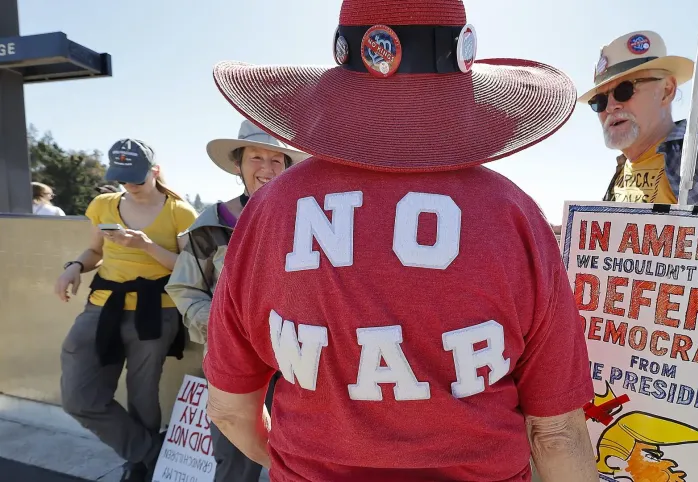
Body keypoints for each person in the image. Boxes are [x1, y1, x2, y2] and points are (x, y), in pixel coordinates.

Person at [202, 1, 597, 481]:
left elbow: (228, 409)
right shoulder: (515, 215)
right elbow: (556, 434)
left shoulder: (268, 211)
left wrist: (291, 465)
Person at [165, 119, 308, 481]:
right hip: (232, 368)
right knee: (234, 462)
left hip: (299, 366)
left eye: (277, 160)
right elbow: (184, 288)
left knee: (302, 459)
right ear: (238, 163)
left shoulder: (311, 217)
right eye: (256, 157)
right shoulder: (212, 223)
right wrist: (225, 330)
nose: (267, 168)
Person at [55, 139, 197, 482]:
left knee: (143, 394)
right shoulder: (103, 204)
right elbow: (94, 250)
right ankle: (150, 453)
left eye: (137, 177)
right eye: (123, 178)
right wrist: (75, 266)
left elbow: (191, 268)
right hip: (103, 306)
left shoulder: (180, 211)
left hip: (155, 309)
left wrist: (145, 245)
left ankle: (140, 467)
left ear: (155, 171)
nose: (130, 185)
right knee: (79, 396)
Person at [580, 31, 698, 207]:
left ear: (666, 91)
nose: (611, 106)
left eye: (624, 90)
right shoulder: (621, 172)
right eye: (600, 100)